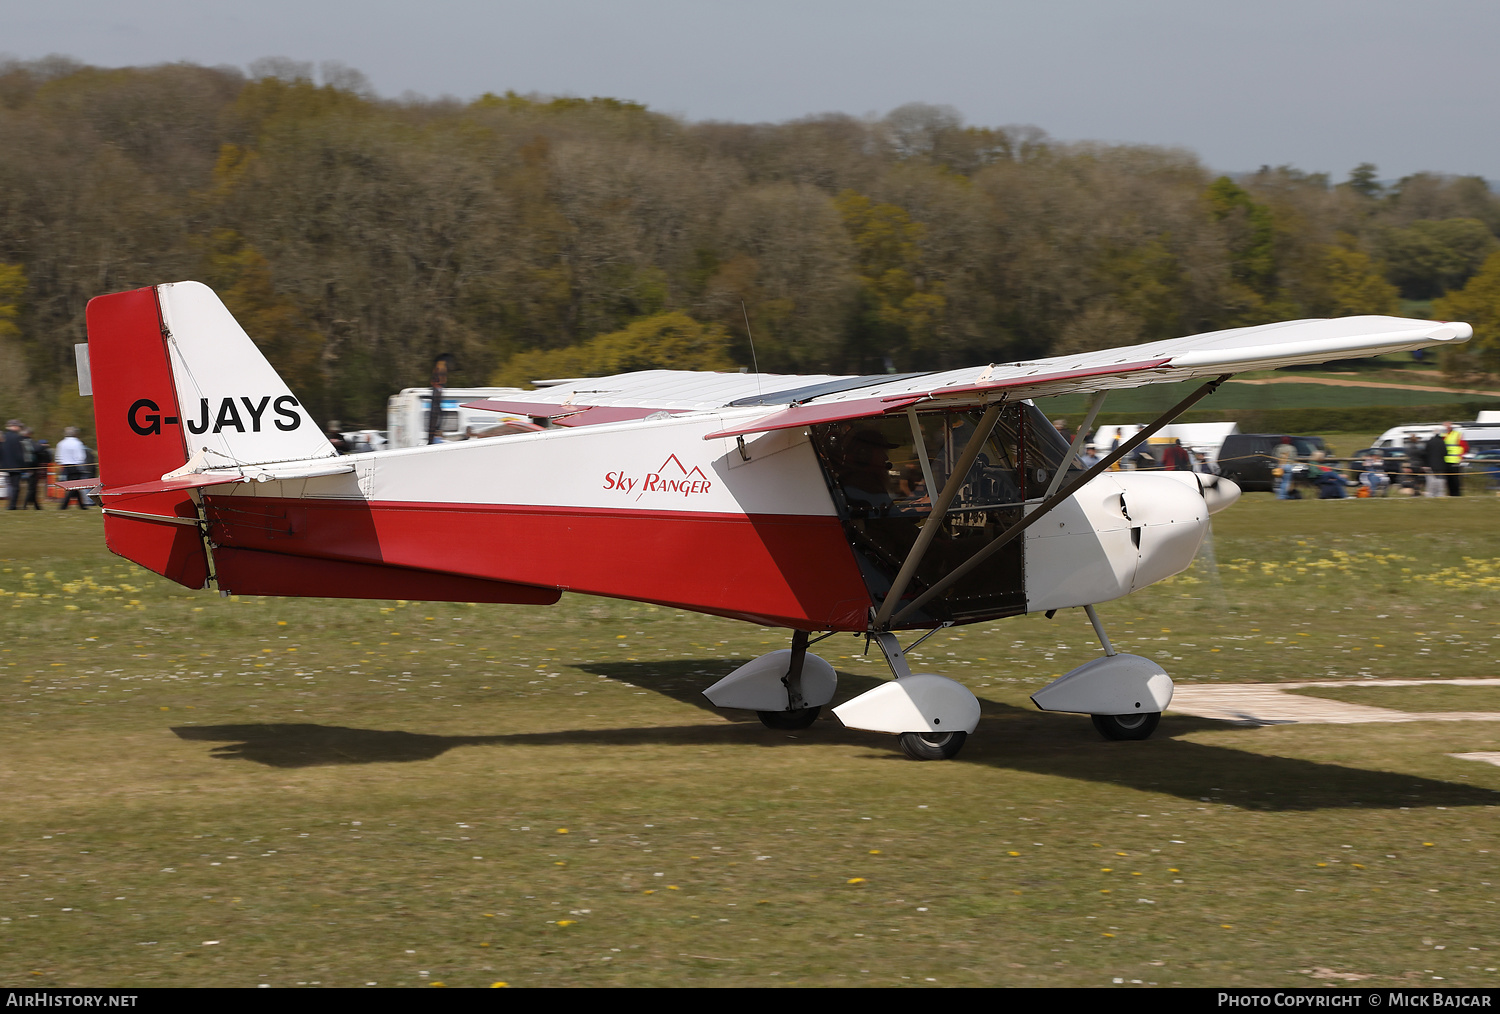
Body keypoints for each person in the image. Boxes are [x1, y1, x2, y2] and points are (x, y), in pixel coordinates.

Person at [56, 426, 92, 509]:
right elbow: (80, 456)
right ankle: (63, 506)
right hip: (75, 466)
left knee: (74, 486)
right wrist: (82, 466)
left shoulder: (61, 443)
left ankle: (81, 506)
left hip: (65, 466)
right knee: (73, 487)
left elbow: (57, 457)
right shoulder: (77, 443)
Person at [21, 431, 48, 509]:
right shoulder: (28, 442)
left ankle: (36, 506)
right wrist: (44, 446)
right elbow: (36, 449)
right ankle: (25, 505)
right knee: (32, 488)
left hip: (24, 467)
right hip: (31, 467)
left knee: (32, 487)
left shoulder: (20, 442)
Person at [1, 419, 24, 510]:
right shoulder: (17, 437)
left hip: (5, 466)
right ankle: (12, 506)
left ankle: (10, 504)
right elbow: (19, 454)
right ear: (14, 426)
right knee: (15, 487)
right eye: (18, 426)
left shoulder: (3, 437)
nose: (19, 428)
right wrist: (23, 466)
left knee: (9, 486)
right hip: (15, 466)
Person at [1442, 422, 1466, 497]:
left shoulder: (1457, 434)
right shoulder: (1443, 435)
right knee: (1448, 479)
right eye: (1446, 426)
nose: (1447, 427)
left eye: (1448, 426)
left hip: (1455, 460)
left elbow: (1464, 447)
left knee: (1455, 479)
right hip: (1445, 460)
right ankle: (1451, 494)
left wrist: (1460, 457)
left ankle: (1456, 494)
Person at [1424, 430, 1448, 497]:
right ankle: (1440, 495)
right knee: (1440, 482)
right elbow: (1445, 453)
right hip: (1441, 465)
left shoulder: (1429, 442)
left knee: (1431, 481)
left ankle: (1431, 495)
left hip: (1430, 465)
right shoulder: (1442, 442)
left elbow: (1425, 453)